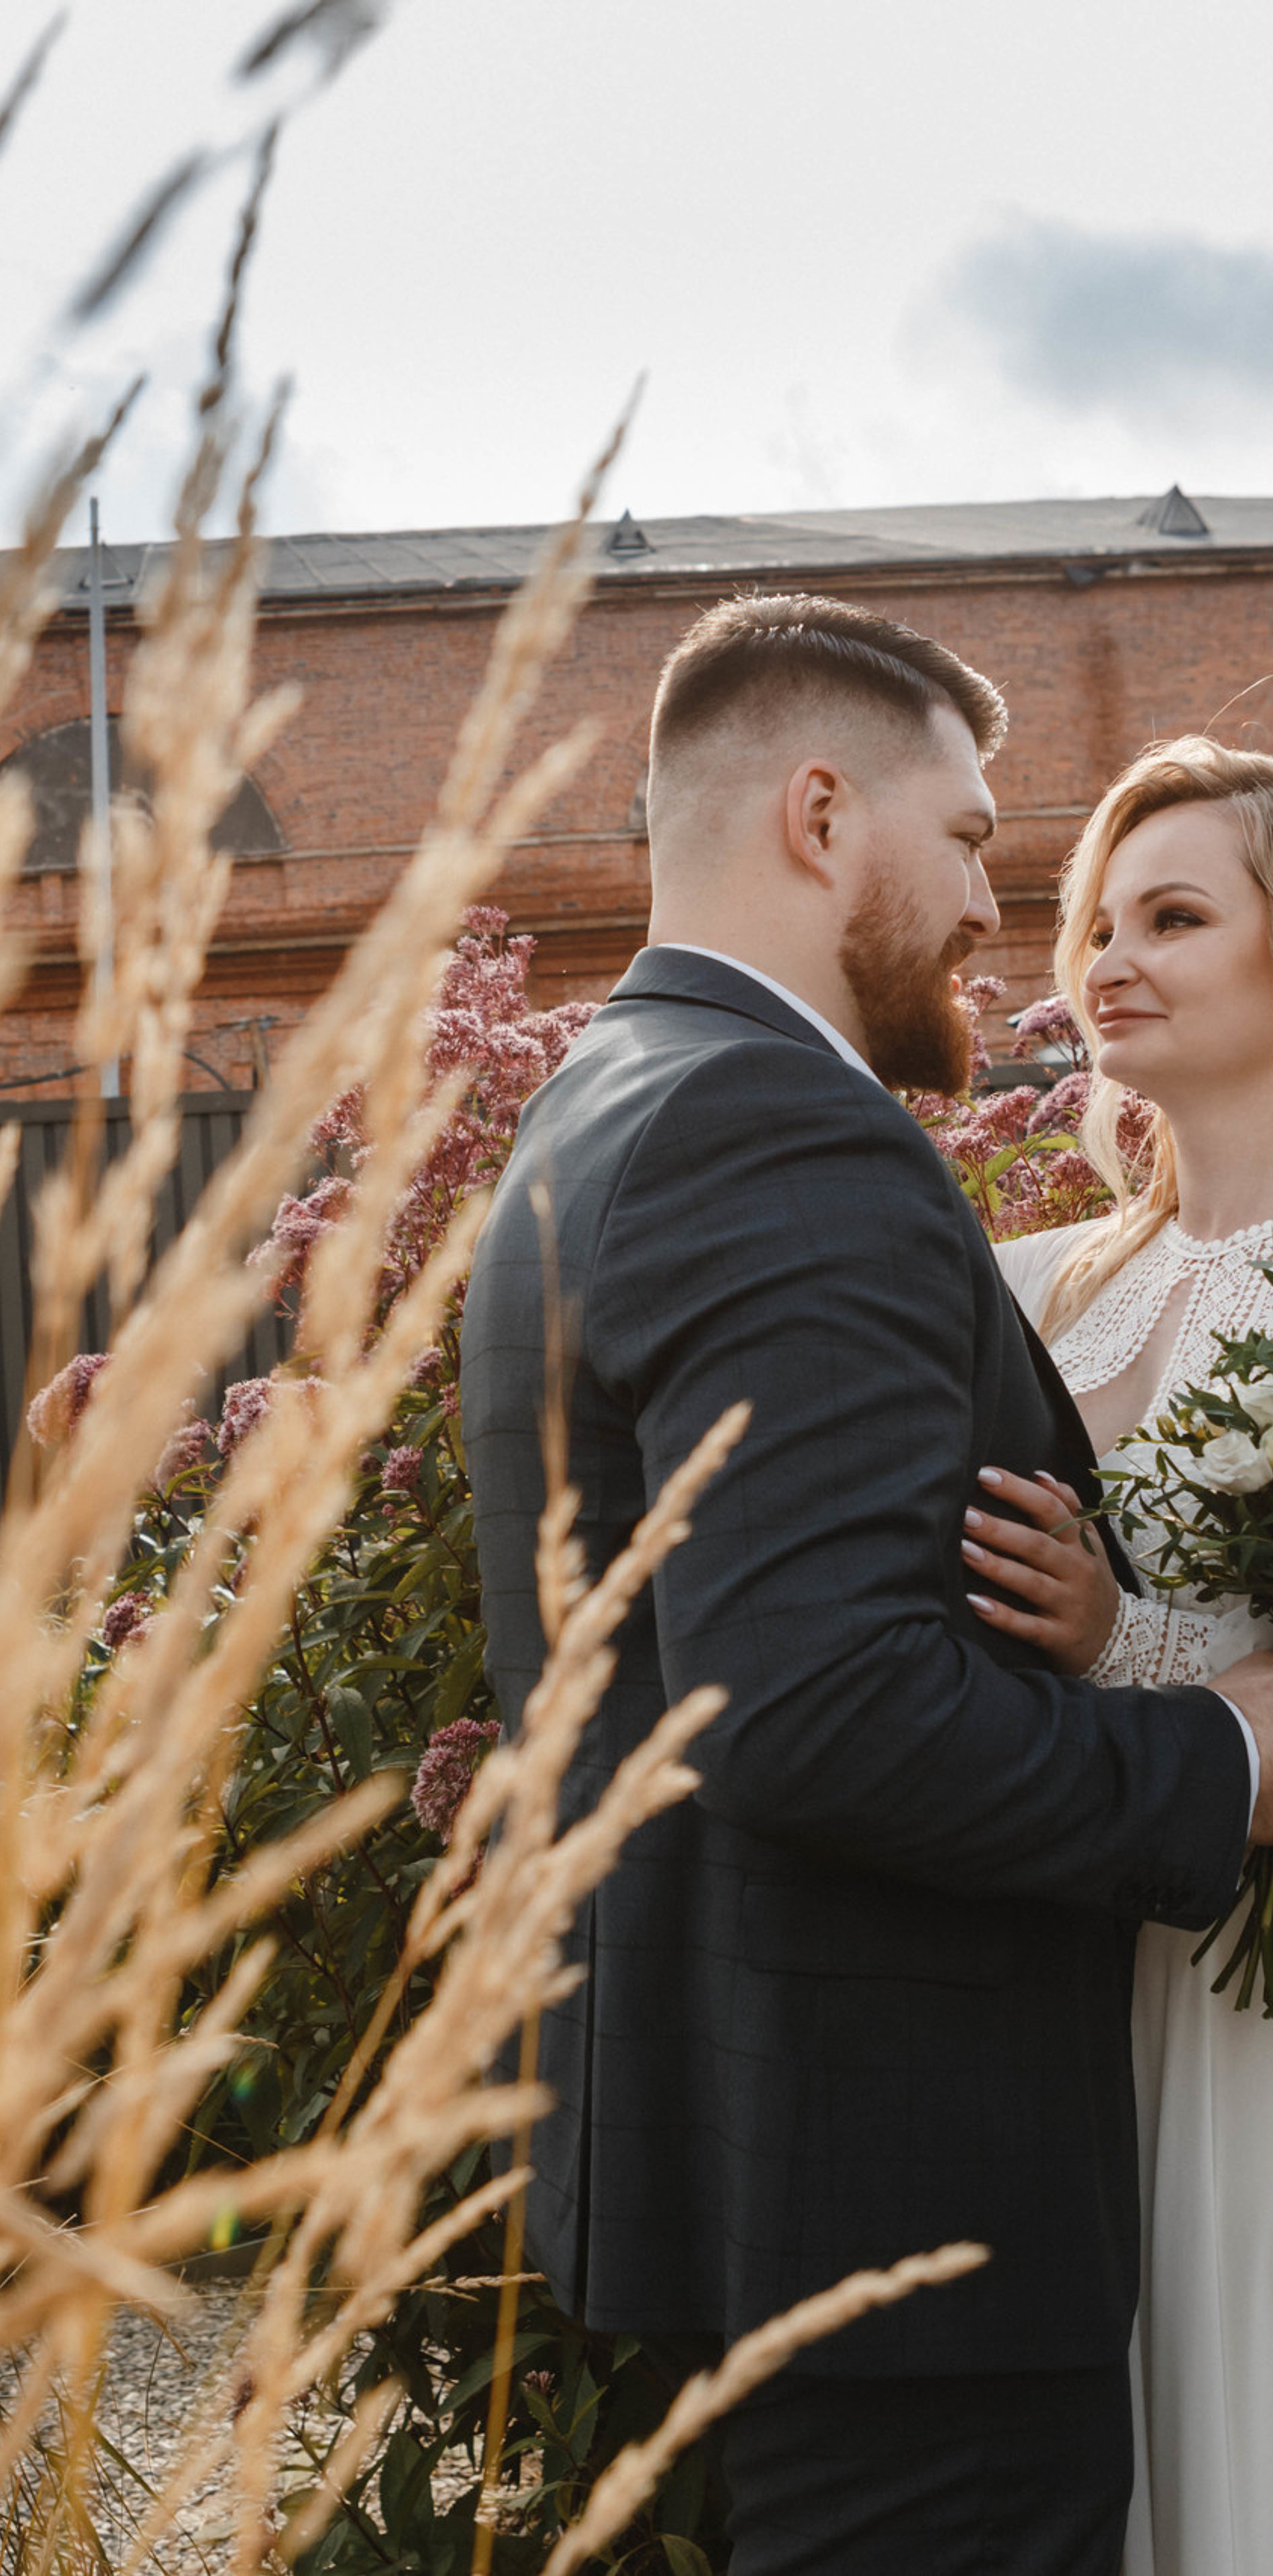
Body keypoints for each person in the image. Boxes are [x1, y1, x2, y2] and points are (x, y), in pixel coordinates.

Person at [458, 593, 1273, 2576]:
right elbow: (822, 1709)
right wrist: (1231, 1756)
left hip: (817, 2169)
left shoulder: (613, 1093)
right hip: (909, 2200)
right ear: (823, 816)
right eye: (985, 843)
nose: (1022, 916)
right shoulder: (772, 1128)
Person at [963, 735, 1273, 2576]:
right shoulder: (1029, 1286)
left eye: (1173, 915)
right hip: (1059, 1971)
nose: (1107, 959)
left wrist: (1120, 1635)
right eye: (1096, 919)